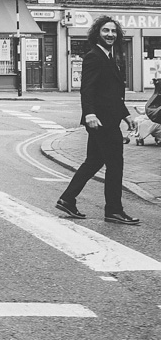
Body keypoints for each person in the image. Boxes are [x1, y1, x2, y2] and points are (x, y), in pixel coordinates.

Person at [56, 15, 139, 225]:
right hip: (101, 122)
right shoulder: (94, 56)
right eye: (105, 31)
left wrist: (126, 115)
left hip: (108, 119)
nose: (110, 34)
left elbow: (111, 94)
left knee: (94, 161)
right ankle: (114, 210)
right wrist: (89, 114)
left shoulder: (109, 57)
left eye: (113, 31)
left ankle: (67, 199)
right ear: (97, 34)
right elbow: (88, 89)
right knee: (115, 165)